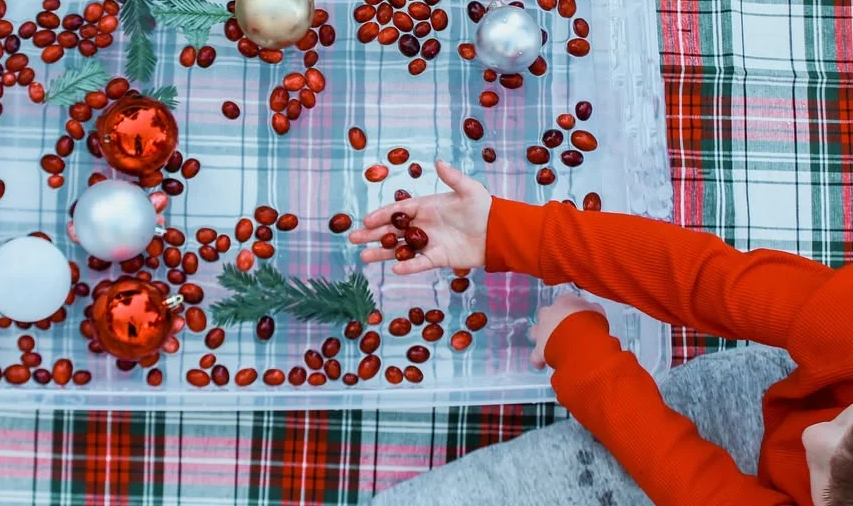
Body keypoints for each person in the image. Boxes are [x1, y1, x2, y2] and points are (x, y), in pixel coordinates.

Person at [350, 160, 853, 506]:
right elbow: (704, 280)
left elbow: (689, 482)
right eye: (841, 423)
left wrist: (584, 358)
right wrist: (513, 233)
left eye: (825, 482)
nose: (813, 434)